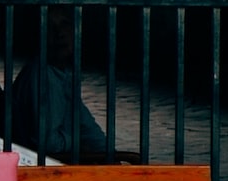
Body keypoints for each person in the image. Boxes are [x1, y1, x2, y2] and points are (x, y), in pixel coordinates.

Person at [9, 8, 140, 163]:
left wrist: (112, 157)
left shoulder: (62, 75)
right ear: (40, 35)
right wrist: (80, 145)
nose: (60, 33)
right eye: (50, 27)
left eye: (65, 24)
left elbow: (85, 125)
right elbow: (48, 144)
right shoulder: (42, 77)